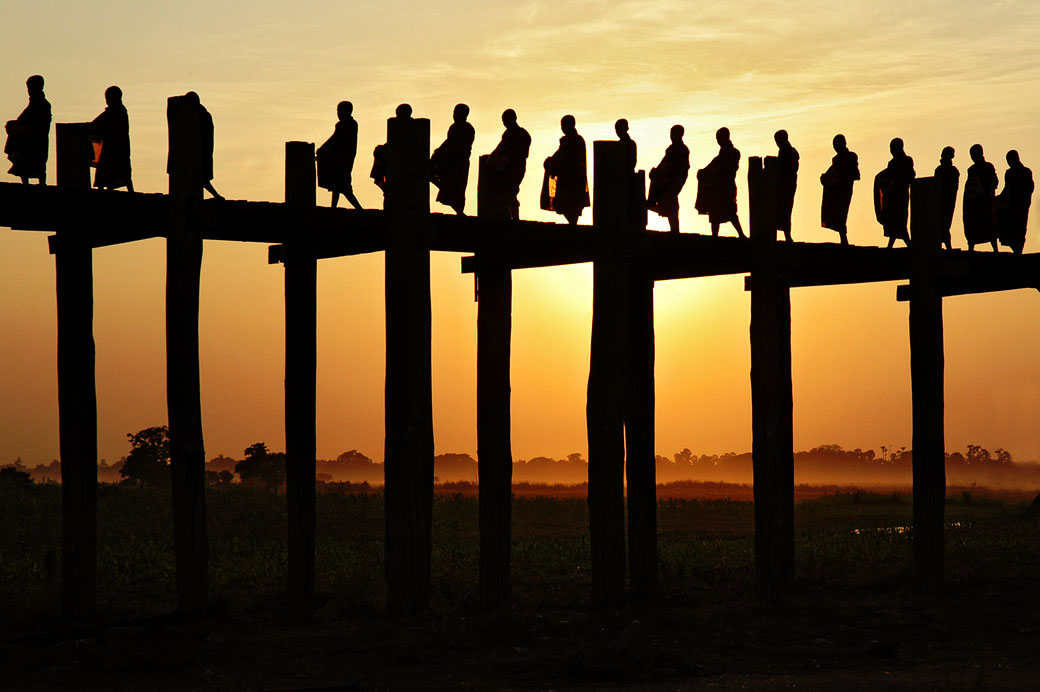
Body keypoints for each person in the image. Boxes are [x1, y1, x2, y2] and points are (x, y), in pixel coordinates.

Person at [695, 127, 744, 237]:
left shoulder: (734, 153)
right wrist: (703, 172)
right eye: (717, 138)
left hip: (726, 187)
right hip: (716, 188)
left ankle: (741, 234)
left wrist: (712, 173)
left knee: (730, 211)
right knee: (714, 213)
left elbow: (725, 169)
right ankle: (715, 236)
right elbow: (712, 166)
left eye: (719, 138)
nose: (718, 141)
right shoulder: (721, 155)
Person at [541, 114, 589, 224]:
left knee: (570, 207)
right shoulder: (574, 140)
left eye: (563, 125)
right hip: (573, 181)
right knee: (570, 208)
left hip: (571, 182)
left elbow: (563, 158)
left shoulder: (572, 141)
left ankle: (573, 227)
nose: (562, 128)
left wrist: (551, 162)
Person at [485, 109, 531, 220]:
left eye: (506, 120)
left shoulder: (522, 134)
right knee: (504, 191)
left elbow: (522, 153)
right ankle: (508, 216)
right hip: (505, 168)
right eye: (503, 120)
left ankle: (514, 217)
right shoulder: (507, 134)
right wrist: (492, 158)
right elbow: (499, 148)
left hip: (515, 168)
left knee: (511, 191)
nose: (504, 123)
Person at [5, 74, 51, 184]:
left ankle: (40, 184)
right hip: (30, 139)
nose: (28, 91)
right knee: (25, 163)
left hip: (35, 139)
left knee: (37, 163)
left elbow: (36, 123)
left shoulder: (42, 104)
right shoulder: (34, 104)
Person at [316, 100, 362, 209]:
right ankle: (334, 207)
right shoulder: (342, 125)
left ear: (347, 111)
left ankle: (359, 209)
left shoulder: (350, 125)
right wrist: (322, 148)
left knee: (344, 187)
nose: (338, 113)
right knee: (337, 185)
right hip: (339, 158)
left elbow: (337, 140)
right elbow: (334, 138)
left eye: (340, 111)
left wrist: (324, 150)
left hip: (343, 159)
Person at [430, 103, 474, 215]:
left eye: (456, 112)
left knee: (458, 189)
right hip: (448, 162)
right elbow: (449, 142)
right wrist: (438, 153)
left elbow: (454, 144)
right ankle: (458, 209)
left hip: (458, 163)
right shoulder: (453, 127)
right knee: (436, 177)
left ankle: (460, 211)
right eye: (454, 112)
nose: (454, 115)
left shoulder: (467, 129)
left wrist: (440, 153)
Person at [89, 85, 133, 192]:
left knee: (114, 172)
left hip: (115, 148)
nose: (107, 101)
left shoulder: (116, 112)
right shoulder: (116, 111)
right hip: (114, 148)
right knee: (111, 174)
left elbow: (98, 124)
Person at [647, 124, 689, 233]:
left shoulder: (682, 150)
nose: (671, 136)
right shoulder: (670, 149)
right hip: (666, 178)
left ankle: (675, 230)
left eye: (673, 134)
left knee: (672, 205)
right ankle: (651, 202)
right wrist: (656, 171)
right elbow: (664, 163)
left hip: (673, 180)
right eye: (671, 134)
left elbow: (680, 168)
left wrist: (665, 175)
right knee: (668, 204)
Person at [873, 137, 914, 248]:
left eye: (893, 147)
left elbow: (909, 176)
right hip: (890, 197)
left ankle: (908, 245)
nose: (891, 150)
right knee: (892, 221)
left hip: (900, 196)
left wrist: (895, 180)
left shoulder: (907, 161)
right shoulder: (891, 163)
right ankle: (894, 245)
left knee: (900, 221)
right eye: (890, 148)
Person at [820, 134, 859, 245]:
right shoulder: (836, 159)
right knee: (837, 213)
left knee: (842, 213)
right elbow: (831, 172)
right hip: (835, 191)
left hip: (845, 190)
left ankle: (844, 239)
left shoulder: (851, 156)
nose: (835, 147)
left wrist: (840, 177)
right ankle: (843, 238)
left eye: (836, 144)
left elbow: (854, 173)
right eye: (834, 145)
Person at [370, 104, 413, 197]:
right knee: (379, 152)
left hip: (402, 157)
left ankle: (382, 183)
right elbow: (391, 143)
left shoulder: (410, 127)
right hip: (395, 155)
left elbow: (399, 144)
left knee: (380, 154)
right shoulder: (398, 126)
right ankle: (381, 182)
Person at [996, 150, 1034, 255]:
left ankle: (1018, 252)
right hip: (1013, 205)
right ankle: (1017, 251)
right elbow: (1007, 188)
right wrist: (999, 197)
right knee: (1014, 229)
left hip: (1020, 205)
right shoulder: (1011, 173)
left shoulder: (1025, 172)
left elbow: (1029, 188)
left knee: (1019, 229)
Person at [963, 144, 998, 252]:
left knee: (989, 225)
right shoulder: (971, 169)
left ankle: (995, 249)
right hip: (974, 202)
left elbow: (994, 182)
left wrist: (987, 191)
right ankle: (971, 249)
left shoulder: (988, 167)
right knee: (973, 226)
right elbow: (970, 186)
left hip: (986, 201)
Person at [771, 129, 799, 241]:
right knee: (777, 211)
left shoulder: (791, 152)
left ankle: (787, 236)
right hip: (780, 186)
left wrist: (777, 165)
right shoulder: (783, 151)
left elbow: (792, 169)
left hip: (787, 186)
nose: (777, 143)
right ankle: (780, 235)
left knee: (785, 211)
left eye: (778, 140)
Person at [934, 146, 958, 250]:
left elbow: (954, 187)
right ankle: (945, 246)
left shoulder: (952, 171)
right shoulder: (940, 170)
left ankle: (946, 246)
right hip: (941, 200)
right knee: (942, 224)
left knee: (945, 224)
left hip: (948, 200)